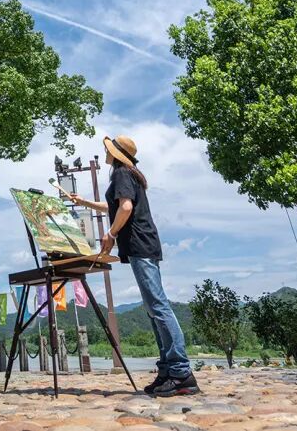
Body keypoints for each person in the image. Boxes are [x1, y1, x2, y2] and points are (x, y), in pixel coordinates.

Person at [69, 135, 199, 397]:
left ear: (116, 154)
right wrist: (85, 203)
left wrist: (111, 234)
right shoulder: (129, 174)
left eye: (108, 149)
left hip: (140, 245)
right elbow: (115, 205)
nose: (105, 152)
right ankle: (168, 370)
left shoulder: (121, 173)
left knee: (158, 306)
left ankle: (181, 372)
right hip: (145, 244)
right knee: (153, 309)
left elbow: (125, 208)